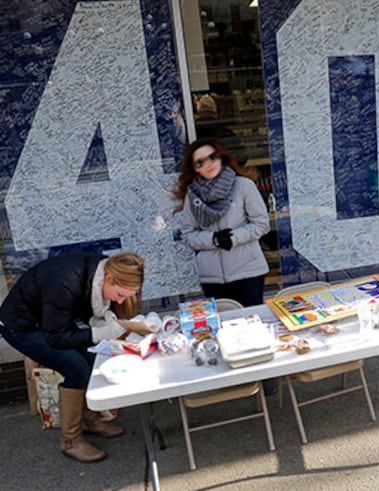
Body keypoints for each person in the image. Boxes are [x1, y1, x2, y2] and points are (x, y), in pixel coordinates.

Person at [0, 252, 144, 463]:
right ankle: (70, 440)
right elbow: (56, 338)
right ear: (110, 278)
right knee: (76, 369)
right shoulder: (65, 282)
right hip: (20, 327)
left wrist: (103, 319)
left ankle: (90, 420)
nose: (120, 300)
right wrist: (98, 333)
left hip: (48, 320)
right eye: (120, 294)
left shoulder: (101, 268)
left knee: (90, 358)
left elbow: (80, 302)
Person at [173, 137, 270, 307]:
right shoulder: (192, 196)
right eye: (200, 162)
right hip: (212, 276)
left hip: (248, 271)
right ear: (195, 168)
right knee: (223, 325)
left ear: (221, 157)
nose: (208, 164)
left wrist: (233, 237)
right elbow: (188, 235)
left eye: (212, 156)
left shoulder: (243, 186)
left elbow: (261, 224)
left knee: (252, 323)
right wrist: (214, 239)